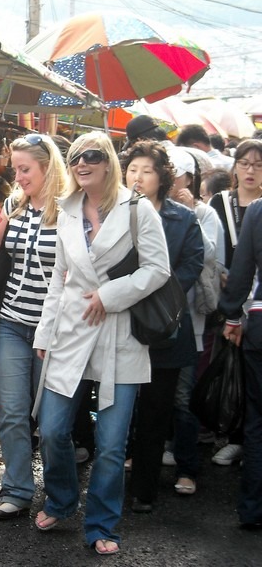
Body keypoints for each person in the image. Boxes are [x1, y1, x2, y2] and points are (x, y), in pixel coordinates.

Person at [32, 132, 170, 555]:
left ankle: (102, 524)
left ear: (108, 161)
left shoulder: (137, 209)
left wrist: (109, 296)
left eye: (92, 156)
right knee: (52, 429)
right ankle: (61, 499)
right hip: (71, 330)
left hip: (119, 332)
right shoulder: (66, 209)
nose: (82, 163)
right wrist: (44, 331)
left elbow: (158, 269)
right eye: (75, 157)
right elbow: (59, 278)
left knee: (111, 444)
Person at [0, 134, 67, 520]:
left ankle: (59, 494)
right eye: (16, 169)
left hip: (55, 329)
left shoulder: (70, 208)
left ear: (48, 167)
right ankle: (17, 489)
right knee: (12, 411)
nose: (19, 177)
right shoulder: (15, 203)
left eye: (25, 169)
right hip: (11, 322)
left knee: (50, 421)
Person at [122, 142, 204, 512]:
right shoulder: (115, 212)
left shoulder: (182, 218)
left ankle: (144, 489)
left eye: (147, 171)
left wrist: (161, 294)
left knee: (156, 409)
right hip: (121, 318)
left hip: (164, 324)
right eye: (133, 169)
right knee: (120, 407)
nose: (138, 178)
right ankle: (111, 482)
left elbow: (193, 263)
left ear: (162, 177)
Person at [162, 147, 225, 488]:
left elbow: (210, 256)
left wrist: (191, 215)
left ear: (189, 179)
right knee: (145, 392)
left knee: (183, 395)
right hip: (149, 318)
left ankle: (187, 466)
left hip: (189, 319)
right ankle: (145, 453)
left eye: (178, 177)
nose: (172, 182)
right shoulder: (146, 208)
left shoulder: (203, 212)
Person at [208, 138, 262, 466]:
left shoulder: (259, 208)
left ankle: (245, 445)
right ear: (235, 167)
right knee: (230, 370)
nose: (251, 170)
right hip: (229, 298)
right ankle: (228, 433)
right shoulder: (221, 202)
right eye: (244, 163)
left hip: (254, 304)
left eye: (258, 165)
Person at [219, 198, 262, 531]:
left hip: (260, 325)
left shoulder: (258, 210)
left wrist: (232, 315)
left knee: (258, 419)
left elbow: (242, 268)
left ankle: (252, 508)